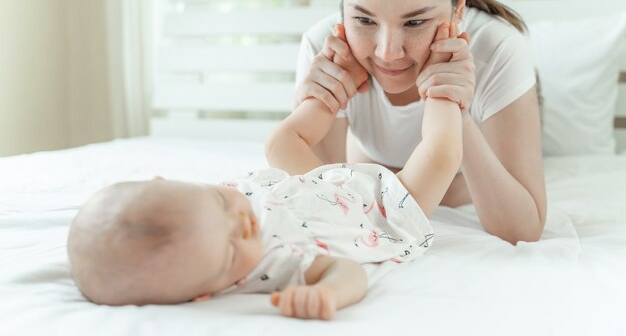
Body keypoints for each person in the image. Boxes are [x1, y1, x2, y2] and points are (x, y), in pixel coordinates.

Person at [66, 23, 463, 320]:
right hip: (379, 211)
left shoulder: (193, 207)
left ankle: (341, 78)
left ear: (167, 182)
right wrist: (327, 294)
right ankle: (442, 83)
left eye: (222, 203)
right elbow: (346, 273)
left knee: (278, 143)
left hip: (317, 186)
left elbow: (264, 185)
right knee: (441, 155)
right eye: (230, 250)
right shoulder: (271, 266)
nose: (243, 222)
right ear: (203, 293)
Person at [294, 0, 547, 244]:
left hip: (468, 175)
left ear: (459, 2)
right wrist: (313, 109)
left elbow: (522, 229)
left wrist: (458, 111)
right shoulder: (325, 50)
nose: (387, 52)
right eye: (364, 19)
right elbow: (323, 207)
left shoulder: (497, 49)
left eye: (414, 22)